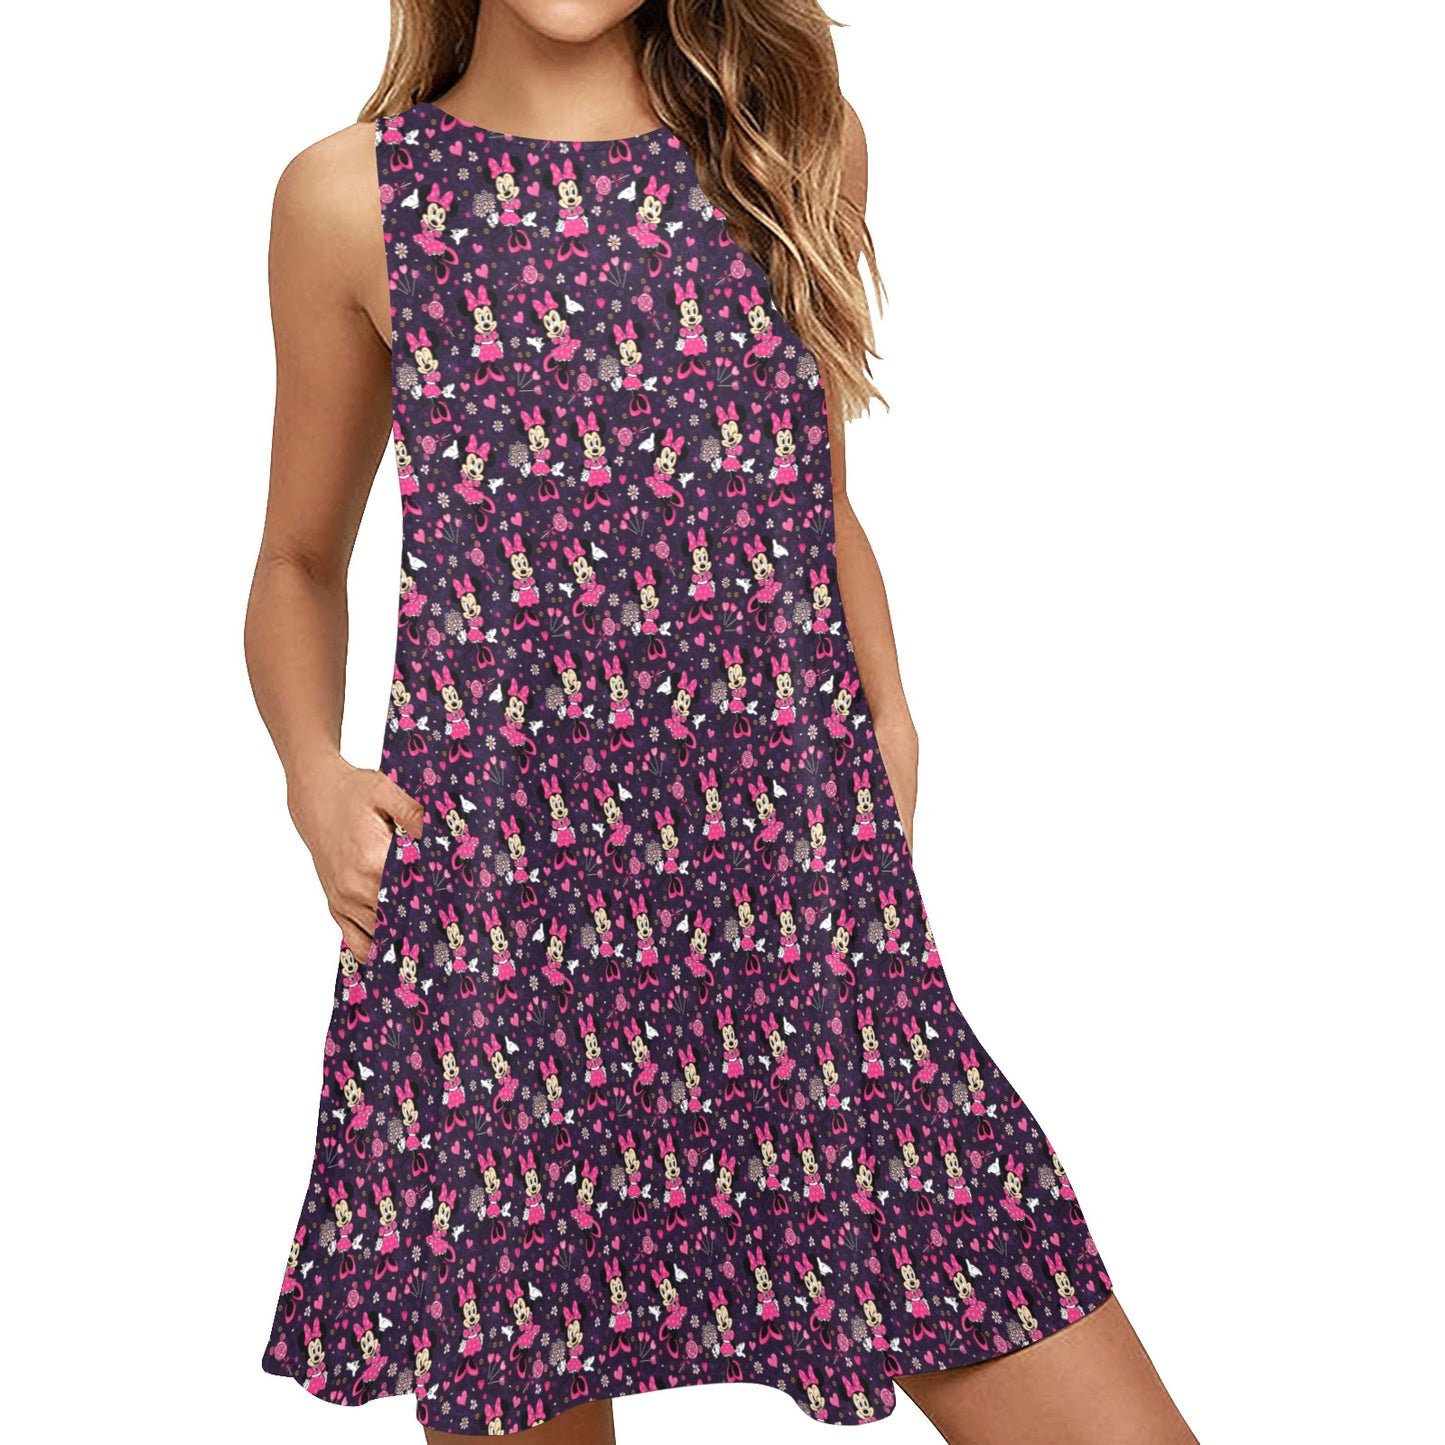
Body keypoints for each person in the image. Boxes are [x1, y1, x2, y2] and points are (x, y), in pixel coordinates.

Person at [246, 3, 1197, 1442]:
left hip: (789, 901)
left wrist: (890, 721)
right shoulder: (351, 199)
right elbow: (295, 562)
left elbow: (811, 497)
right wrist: (314, 776)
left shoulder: (786, 145)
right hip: (506, 932)